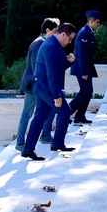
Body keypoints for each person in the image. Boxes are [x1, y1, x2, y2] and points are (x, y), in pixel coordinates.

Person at [21, 23, 78, 160]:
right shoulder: (52, 46)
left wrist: (69, 61)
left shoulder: (54, 44)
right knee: (65, 111)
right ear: (63, 34)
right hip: (45, 87)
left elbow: (58, 67)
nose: (70, 42)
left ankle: (28, 149)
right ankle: (57, 143)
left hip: (42, 86)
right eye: (70, 39)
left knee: (40, 117)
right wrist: (56, 95)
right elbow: (52, 73)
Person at [15, 18, 59, 152]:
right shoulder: (38, 44)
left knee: (50, 108)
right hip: (33, 86)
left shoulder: (43, 43)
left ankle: (45, 135)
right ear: (47, 30)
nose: (57, 35)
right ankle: (20, 142)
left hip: (39, 85)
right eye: (55, 31)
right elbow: (37, 68)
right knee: (28, 113)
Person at [69, 10, 101, 124]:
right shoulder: (84, 33)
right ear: (91, 21)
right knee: (85, 92)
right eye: (97, 22)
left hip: (86, 68)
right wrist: (84, 72)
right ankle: (67, 112)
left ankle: (80, 116)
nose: (98, 25)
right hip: (82, 69)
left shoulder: (89, 32)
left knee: (87, 92)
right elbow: (81, 54)